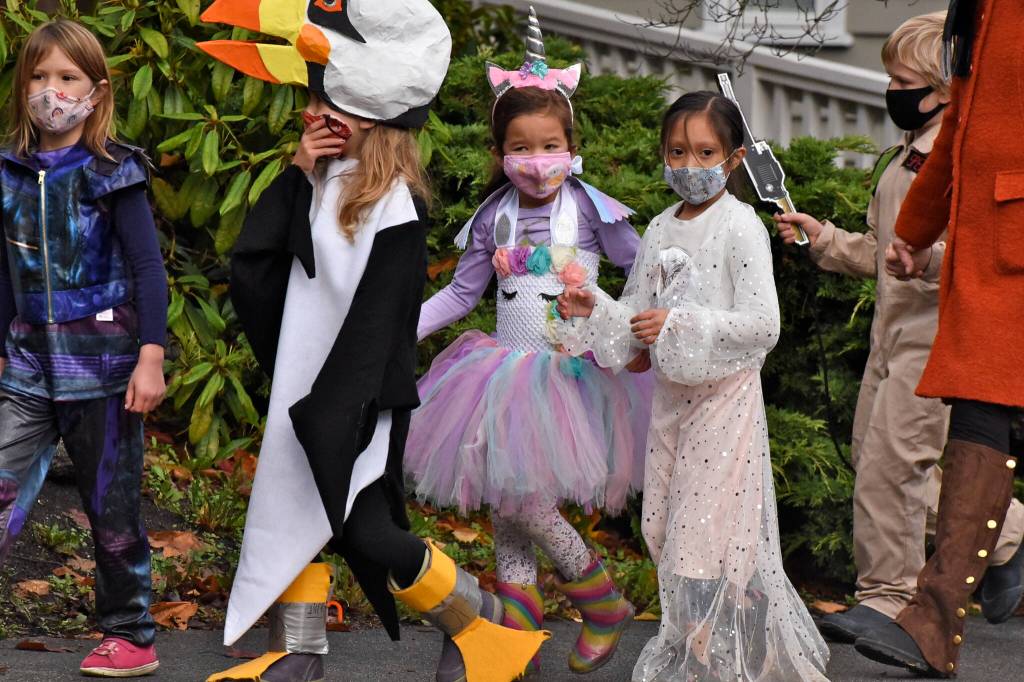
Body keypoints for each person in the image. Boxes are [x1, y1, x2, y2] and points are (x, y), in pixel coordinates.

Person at [198, 2, 547, 681]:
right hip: (308, 392)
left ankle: (482, 625)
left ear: (375, 117)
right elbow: (257, 268)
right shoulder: (323, 181)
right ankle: (299, 653)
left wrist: (338, 409)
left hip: (356, 403)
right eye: (315, 103)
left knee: (367, 531)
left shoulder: (396, 208)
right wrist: (297, 174)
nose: (317, 116)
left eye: (334, 106)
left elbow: (381, 324)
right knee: (293, 514)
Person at [406, 9, 650, 680]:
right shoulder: (494, 216)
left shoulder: (595, 212)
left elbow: (646, 270)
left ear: (572, 148)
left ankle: (600, 602)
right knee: (503, 502)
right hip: (500, 375)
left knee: (527, 502)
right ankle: (516, 632)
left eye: (549, 145)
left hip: (568, 375)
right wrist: (401, 328)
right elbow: (461, 295)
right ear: (500, 151)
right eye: (520, 147)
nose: (535, 161)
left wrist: (628, 323)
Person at [557, 91, 829, 681]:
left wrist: (680, 325)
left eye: (704, 152)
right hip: (670, 404)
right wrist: (594, 308)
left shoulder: (741, 227)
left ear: (732, 160)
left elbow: (764, 324)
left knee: (701, 540)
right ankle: (715, 647)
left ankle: (706, 662)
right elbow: (638, 313)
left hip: (724, 402)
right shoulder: (657, 228)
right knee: (659, 525)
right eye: (676, 152)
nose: (688, 166)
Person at [773, 11, 1024, 643]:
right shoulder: (904, 158)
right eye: (887, 78)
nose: (892, 92)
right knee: (875, 458)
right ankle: (1009, 533)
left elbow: (973, 255)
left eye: (903, 80)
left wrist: (925, 258)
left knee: (893, 465)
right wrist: (822, 239)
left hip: (937, 334)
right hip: (892, 332)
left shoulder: (954, 158)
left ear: (946, 88)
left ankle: (887, 598)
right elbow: (883, 251)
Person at [853, 0, 1024, 676]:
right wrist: (916, 233)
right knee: (980, 420)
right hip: (992, 253)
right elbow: (964, 130)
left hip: (1008, 243)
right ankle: (931, 617)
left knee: (983, 422)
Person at [0, 18, 167, 678]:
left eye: (67, 77)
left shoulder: (112, 173)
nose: (51, 91)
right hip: (30, 365)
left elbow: (148, 268)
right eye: (39, 77)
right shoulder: (9, 173)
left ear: (95, 92)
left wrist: (150, 355)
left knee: (112, 508)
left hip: (105, 367)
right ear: (22, 89)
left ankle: (131, 635)